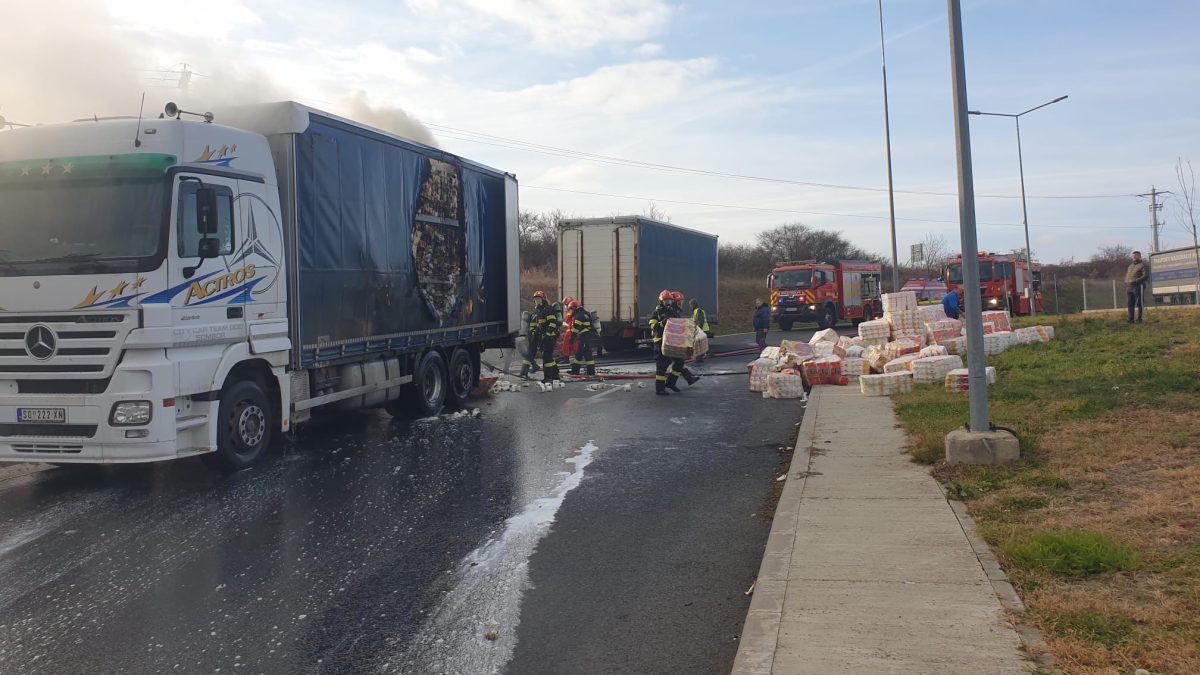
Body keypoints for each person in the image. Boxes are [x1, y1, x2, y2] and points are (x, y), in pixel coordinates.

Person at [664, 291, 699, 391]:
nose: (681, 304)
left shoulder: (676, 311)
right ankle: (671, 382)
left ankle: (688, 378)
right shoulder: (672, 311)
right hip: (671, 341)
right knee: (678, 362)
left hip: (674, 340)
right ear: (674, 302)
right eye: (679, 302)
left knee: (679, 361)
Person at [649, 289, 675, 395]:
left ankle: (666, 385)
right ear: (661, 301)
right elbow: (652, 325)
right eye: (666, 301)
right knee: (661, 366)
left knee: (667, 362)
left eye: (669, 301)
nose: (668, 304)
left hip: (670, 341)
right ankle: (660, 389)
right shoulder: (657, 312)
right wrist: (661, 323)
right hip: (659, 342)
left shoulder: (673, 311)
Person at [531, 290, 560, 381]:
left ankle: (548, 378)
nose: (536, 301)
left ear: (543, 299)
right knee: (548, 356)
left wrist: (547, 334)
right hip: (543, 337)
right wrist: (534, 332)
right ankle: (555, 375)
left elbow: (553, 322)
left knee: (546, 358)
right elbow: (539, 324)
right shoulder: (539, 311)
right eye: (535, 299)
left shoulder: (548, 309)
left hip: (550, 337)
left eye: (538, 299)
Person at [568, 300, 596, 376]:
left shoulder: (578, 316)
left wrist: (571, 339)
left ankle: (591, 373)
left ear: (575, 308)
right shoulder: (586, 313)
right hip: (585, 336)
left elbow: (575, 329)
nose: (571, 311)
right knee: (578, 354)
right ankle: (575, 371)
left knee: (588, 355)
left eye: (571, 309)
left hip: (584, 337)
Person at [1125, 250, 1148, 324]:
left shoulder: (1143, 265)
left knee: (1139, 303)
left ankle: (1140, 319)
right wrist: (1126, 281)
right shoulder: (1130, 266)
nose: (1134, 257)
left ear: (1140, 256)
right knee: (1130, 304)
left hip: (1138, 286)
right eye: (1133, 256)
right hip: (1129, 287)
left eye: (1136, 255)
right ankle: (1130, 319)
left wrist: (1136, 281)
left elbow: (1146, 275)